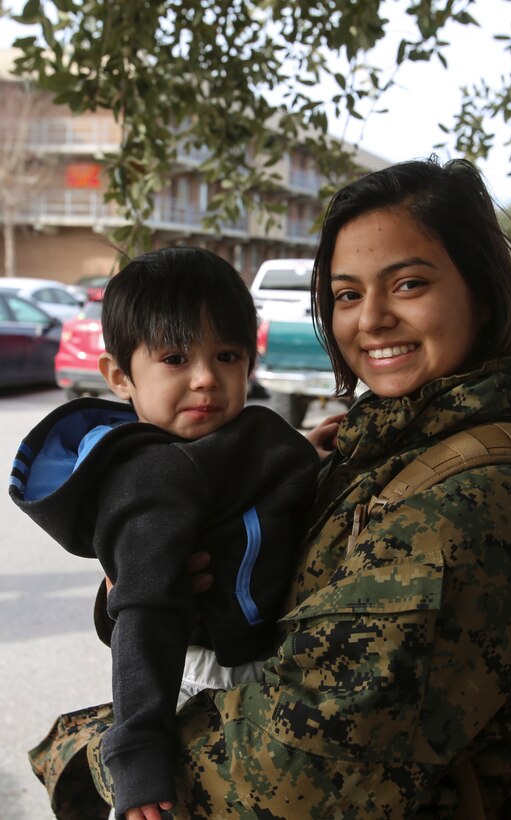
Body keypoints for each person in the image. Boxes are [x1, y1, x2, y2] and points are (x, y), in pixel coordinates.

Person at [15, 156, 511, 819]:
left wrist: (79, 749)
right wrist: (135, 591)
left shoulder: (470, 504)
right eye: (347, 294)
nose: (370, 318)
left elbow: (282, 781)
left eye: (407, 284)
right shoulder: (373, 448)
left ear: (484, 294)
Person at [9, 245, 321, 819]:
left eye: (226, 355)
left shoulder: (242, 433)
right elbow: (146, 616)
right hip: (210, 682)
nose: (206, 379)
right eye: (175, 358)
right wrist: (139, 759)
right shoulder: (152, 474)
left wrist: (311, 453)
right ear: (119, 376)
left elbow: (265, 470)